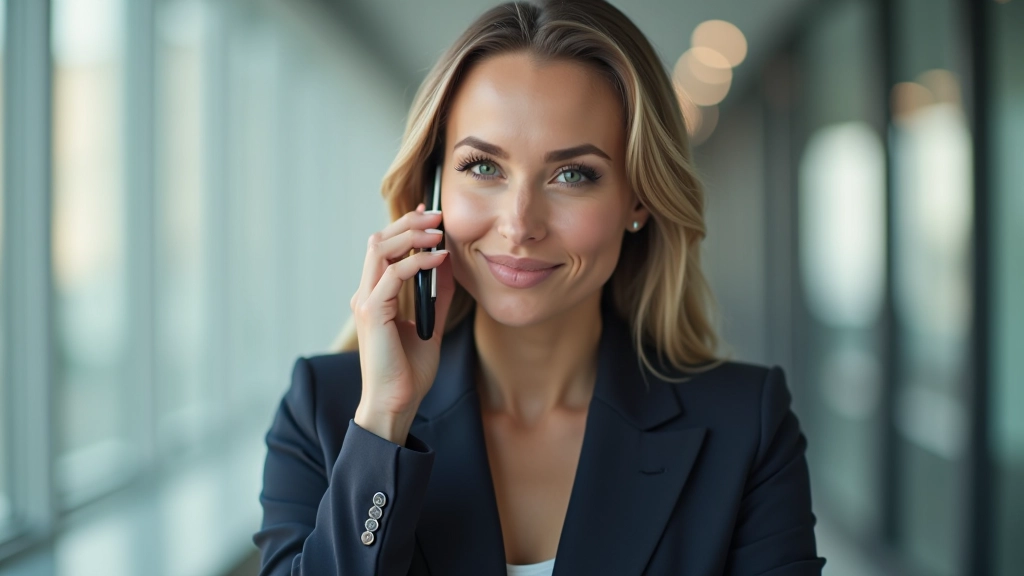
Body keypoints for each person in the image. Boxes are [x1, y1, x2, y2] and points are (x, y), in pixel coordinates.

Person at [254, 1, 826, 574]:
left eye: (573, 174)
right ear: (432, 190)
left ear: (638, 200)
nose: (520, 223)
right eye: (483, 167)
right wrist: (384, 424)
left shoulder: (745, 427)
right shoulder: (327, 412)